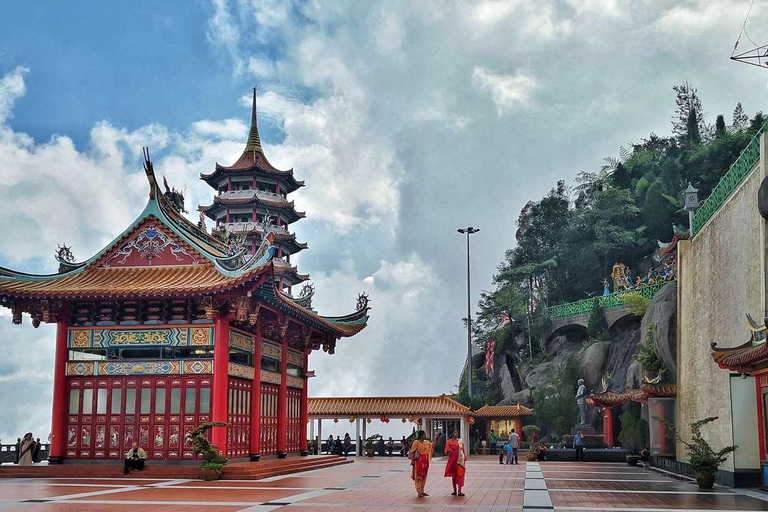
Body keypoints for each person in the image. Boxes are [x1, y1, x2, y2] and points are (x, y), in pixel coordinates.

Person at [409, 430, 441, 497]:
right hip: (418, 462)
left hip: (425, 462)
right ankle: (419, 491)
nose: (425, 436)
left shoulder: (426, 442)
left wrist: (436, 439)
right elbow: (412, 451)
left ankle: (422, 490)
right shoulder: (416, 442)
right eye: (424, 434)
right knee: (419, 476)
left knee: (424, 476)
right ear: (421, 435)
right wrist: (412, 460)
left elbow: (432, 445)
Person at [444, 429, 467, 496]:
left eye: (457, 432)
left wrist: (464, 458)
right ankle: (454, 491)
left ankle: (459, 491)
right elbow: (446, 451)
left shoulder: (460, 441)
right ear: (452, 433)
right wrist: (449, 451)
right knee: (454, 476)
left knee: (460, 475)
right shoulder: (449, 441)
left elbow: (463, 450)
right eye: (455, 432)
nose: (457, 433)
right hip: (452, 461)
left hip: (460, 461)